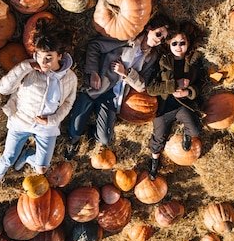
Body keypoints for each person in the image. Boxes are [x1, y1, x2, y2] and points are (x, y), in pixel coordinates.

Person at [0, 19, 77, 193]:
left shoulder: (70, 78)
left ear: (60, 56)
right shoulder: (29, 69)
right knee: (9, 157)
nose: (43, 62)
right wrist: (23, 67)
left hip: (46, 126)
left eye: (49, 57)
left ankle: (29, 156)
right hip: (21, 120)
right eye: (39, 55)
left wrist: (53, 120)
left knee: (41, 169)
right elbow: (3, 89)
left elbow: (68, 103)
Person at [64, 14, 172, 159]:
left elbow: (142, 86)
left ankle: (92, 129)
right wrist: (93, 72)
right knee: (75, 131)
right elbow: (95, 46)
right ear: (148, 28)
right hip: (97, 86)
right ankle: (75, 139)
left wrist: (126, 73)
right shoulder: (127, 39)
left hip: (114, 96)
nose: (159, 40)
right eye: (159, 34)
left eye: (163, 39)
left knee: (104, 139)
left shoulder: (151, 57)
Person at [146, 21, 205, 180]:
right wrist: (173, 86)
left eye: (182, 43)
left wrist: (188, 91)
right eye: (174, 43)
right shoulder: (162, 62)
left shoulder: (193, 62)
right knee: (159, 137)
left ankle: (185, 132)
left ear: (188, 44)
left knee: (195, 130)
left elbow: (200, 83)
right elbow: (151, 88)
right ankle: (154, 161)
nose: (179, 46)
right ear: (169, 45)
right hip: (165, 106)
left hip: (183, 104)